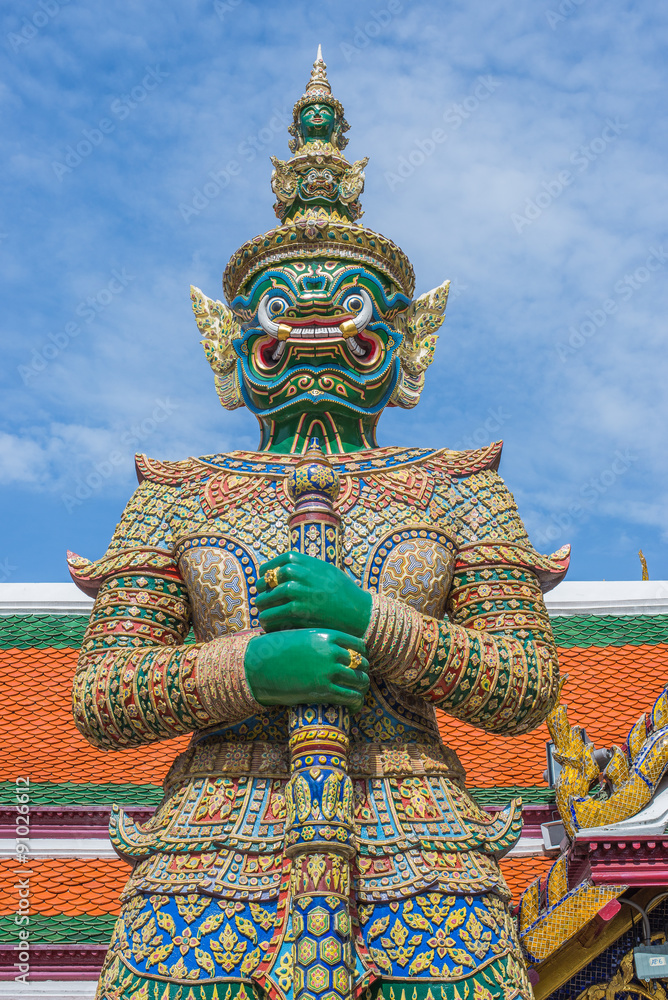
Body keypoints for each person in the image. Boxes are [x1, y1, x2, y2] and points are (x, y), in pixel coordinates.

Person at [70, 48, 568, 1000]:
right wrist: (251, 667)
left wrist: (375, 620)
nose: (309, 321)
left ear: (406, 341)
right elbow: (102, 696)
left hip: (416, 851)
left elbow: (525, 687)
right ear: (232, 345)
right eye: (276, 305)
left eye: (345, 301)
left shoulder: (457, 488)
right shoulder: (178, 492)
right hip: (213, 860)